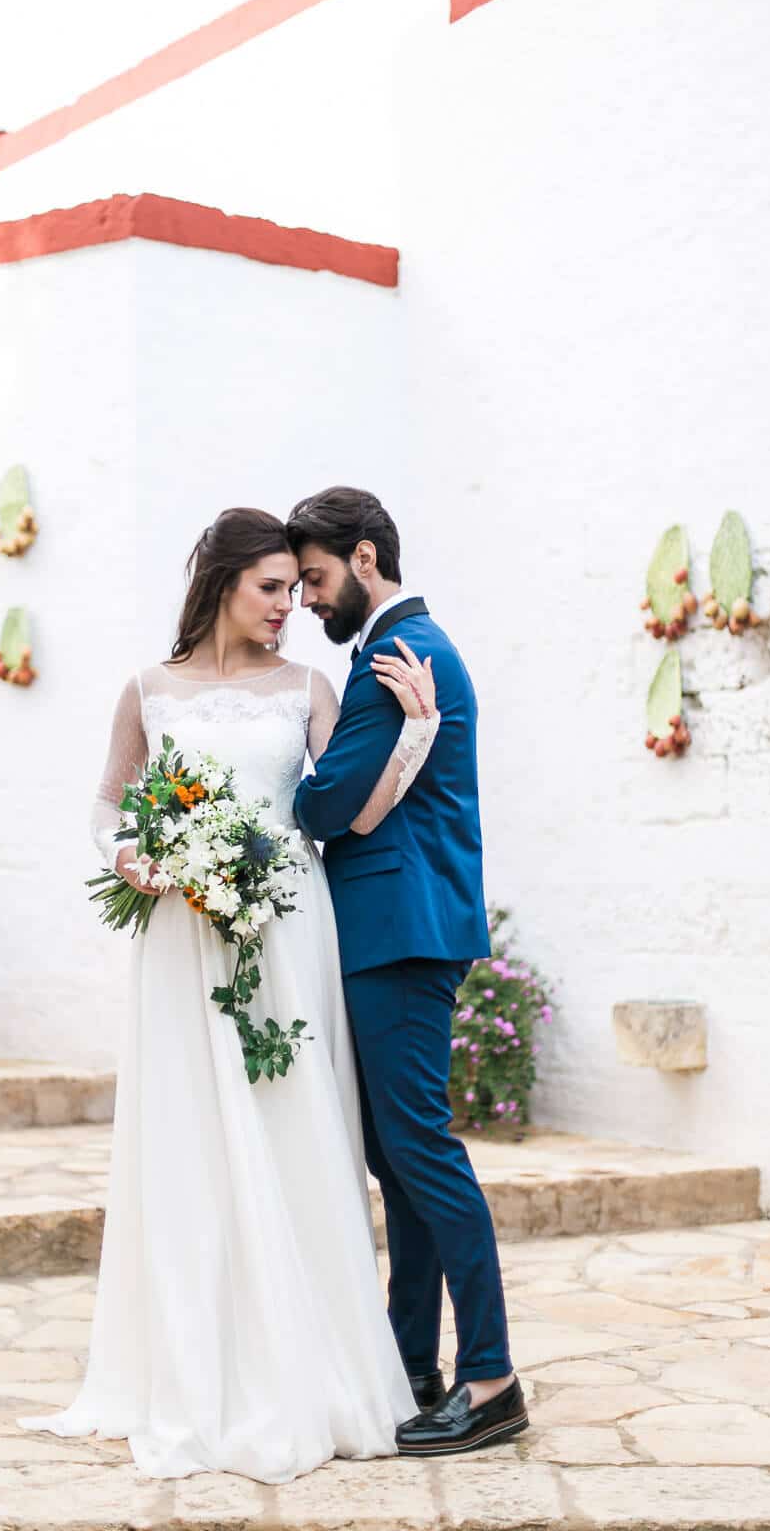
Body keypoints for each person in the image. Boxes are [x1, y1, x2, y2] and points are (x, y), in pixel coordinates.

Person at [18, 507, 441, 1482]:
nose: (287, 607)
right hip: (178, 942)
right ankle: (192, 1362)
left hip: (286, 935)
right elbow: (106, 805)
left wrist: (414, 729)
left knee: (292, 1126)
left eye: (295, 589)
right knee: (187, 1140)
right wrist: (132, 857)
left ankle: (306, 1360)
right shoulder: (146, 688)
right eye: (269, 588)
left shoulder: (309, 686)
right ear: (218, 584)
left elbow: (349, 809)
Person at [288, 486, 528, 1458]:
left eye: (312, 577)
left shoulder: (402, 656)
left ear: (364, 556)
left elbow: (321, 802)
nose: (306, 598)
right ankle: (413, 1361)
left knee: (420, 1149)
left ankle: (491, 1376)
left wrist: (314, 794)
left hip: (400, 928)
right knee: (398, 1156)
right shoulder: (397, 652)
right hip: (396, 927)